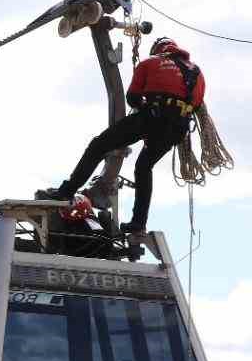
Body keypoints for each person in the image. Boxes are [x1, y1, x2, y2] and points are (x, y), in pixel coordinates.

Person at [42, 37, 206, 235]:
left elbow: (133, 98)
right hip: (177, 129)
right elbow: (196, 105)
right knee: (144, 167)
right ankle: (138, 223)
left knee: (99, 146)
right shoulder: (197, 73)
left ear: (158, 50)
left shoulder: (150, 63)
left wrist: (146, 109)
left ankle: (66, 191)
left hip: (151, 117)